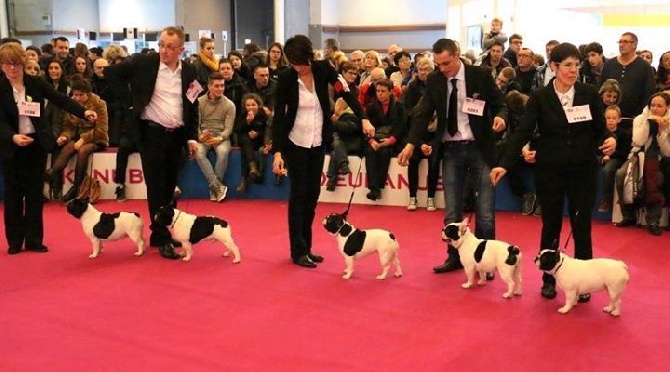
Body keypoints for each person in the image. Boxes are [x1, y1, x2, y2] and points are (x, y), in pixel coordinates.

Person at [490, 42, 616, 301]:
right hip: (550, 170)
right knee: (551, 225)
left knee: (582, 226)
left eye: (576, 65)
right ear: (554, 67)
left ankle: (585, 282)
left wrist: (611, 139)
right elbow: (522, 131)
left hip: (583, 170)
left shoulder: (589, 93)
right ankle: (548, 277)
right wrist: (504, 162)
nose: (573, 70)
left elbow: (600, 130)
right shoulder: (539, 97)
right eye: (567, 65)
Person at [397, 38, 507, 275]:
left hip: (480, 147)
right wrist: (410, 144)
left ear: (457, 55)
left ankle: (487, 263)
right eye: (439, 64)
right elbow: (422, 114)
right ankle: (454, 258)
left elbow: (501, 104)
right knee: (451, 212)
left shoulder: (481, 75)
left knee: (485, 212)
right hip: (450, 149)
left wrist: (501, 117)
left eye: (446, 63)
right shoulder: (435, 80)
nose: (443, 69)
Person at [271, 34, 372, 269]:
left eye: (300, 61)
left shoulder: (324, 69)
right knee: (298, 197)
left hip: (317, 142)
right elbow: (278, 117)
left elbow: (347, 93)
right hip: (295, 142)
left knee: (312, 196)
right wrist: (277, 151)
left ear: (308, 56)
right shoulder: (286, 78)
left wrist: (364, 118)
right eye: (292, 62)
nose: (297, 67)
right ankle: (298, 251)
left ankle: (307, 246)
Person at [105, 26, 199, 260]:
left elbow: (192, 105)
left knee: (170, 186)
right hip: (151, 133)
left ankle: (161, 231)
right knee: (156, 186)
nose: (164, 50)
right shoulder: (145, 62)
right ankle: (161, 235)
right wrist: (130, 102)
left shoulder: (189, 71)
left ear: (181, 49)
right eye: (161, 45)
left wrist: (191, 136)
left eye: (169, 47)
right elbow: (110, 74)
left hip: (176, 135)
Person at [0, 42, 97, 255]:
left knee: (35, 194)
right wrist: (13, 137)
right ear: (2, 65)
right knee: (13, 195)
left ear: (23, 64)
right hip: (11, 147)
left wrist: (83, 112)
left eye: (16, 64)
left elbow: (61, 99)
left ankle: (34, 240)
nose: (13, 69)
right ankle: (15, 241)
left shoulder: (35, 83)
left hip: (36, 144)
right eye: (8, 64)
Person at [614, 92, 670, 236]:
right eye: (652, 105)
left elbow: (667, 152)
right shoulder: (640, 118)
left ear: (667, 107)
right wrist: (648, 123)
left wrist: (662, 131)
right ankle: (628, 215)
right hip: (637, 156)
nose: (655, 109)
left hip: (659, 159)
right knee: (621, 174)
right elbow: (638, 141)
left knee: (656, 178)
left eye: (659, 106)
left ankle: (653, 220)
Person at [46, 76, 109, 202]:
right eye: (75, 95)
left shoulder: (99, 104)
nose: (78, 98)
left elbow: (101, 129)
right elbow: (67, 126)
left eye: (81, 95)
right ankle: (51, 173)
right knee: (68, 148)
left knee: (83, 151)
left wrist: (84, 139)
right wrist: (65, 136)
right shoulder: (71, 104)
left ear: (88, 94)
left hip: (97, 138)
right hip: (77, 136)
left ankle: (75, 188)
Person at [195, 72, 235, 202]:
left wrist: (220, 138)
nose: (220, 89)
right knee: (198, 152)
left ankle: (215, 189)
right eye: (217, 86)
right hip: (203, 137)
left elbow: (228, 129)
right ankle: (217, 187)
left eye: (222, 86)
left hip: (221, 137)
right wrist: (200, 136)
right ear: (209, 86)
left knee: (223, 152)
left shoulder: (230, 105)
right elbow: (196, 123)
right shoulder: (199, 102)